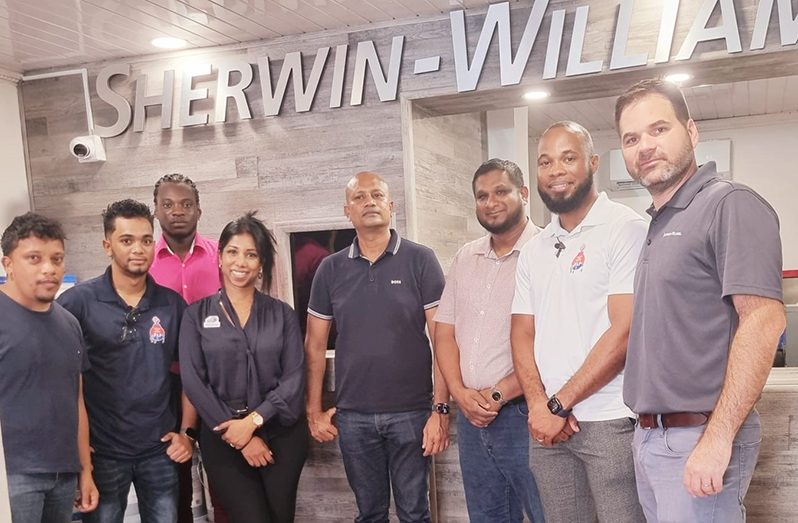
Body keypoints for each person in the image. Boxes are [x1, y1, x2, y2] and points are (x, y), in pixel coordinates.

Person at [616, 78, 785, 522]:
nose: (645, 147)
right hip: (652, 437)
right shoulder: (656, 223)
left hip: (700, 437)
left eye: (659, 130)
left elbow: (764, 321)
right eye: (631, 138)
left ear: (691, 132)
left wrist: (717, 437)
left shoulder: (730, 204)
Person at [511, 121, 647, 522]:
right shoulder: (534, 249)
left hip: (610, 421)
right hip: (548, 427)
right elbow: (521, 333)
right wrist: (539, 405)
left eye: (568, 158)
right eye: (545, 161)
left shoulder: (625, 229)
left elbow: (623, 332)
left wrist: (557, 404)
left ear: (592, 162)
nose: (555, 170)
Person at [305, 171, 449, 523]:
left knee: (415, 513)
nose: (369, 202)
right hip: (353, 416)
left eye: (377, 195)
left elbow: (443, 337)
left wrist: (440, 410)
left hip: (412, 413)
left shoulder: (421, 260)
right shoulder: (330, 268)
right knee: (369, 514)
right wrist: (313, 410)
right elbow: (314, 344)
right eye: (359, 197)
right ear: (347, 211)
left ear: (391, 205)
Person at [58, 200, 195, 523]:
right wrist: (78, 453)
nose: (139, 249)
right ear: (107, 246)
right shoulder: (77, 303)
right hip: (102, 455)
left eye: (146, 240)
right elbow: (60, 382)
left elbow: (193, 374)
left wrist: (187, 434)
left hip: (159, 451)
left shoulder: (171, 304)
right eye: (127, 240)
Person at [434, 158, 545, 523]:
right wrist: (460, 394)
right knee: (487, 517)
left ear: (524, 194)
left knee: (548, 513)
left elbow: (554, 344)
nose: (491, 202)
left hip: (526, 413)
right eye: (482, 196)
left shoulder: (547, 252)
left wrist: (497, 395)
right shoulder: (466, 257)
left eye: (501, 192)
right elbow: (445, 333)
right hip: (471, 418)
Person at [179, 212, 308, 523]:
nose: (241, 262)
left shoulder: (283, 314)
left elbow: (293, 379)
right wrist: (240, 433)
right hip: (223, 437)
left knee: (280, 517)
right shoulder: (196, 316)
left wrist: (254, 421)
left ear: (261, 262)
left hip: (281, 434)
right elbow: (194, 380)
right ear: (220, 257)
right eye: (233, 252)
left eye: (251, 254)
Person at [0, 212, 98, 522]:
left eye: (57, 259)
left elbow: (76, 401)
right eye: (34, 258)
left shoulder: (69, 323)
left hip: (64, 473)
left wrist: (85, 470)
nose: (48, 269)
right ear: (8, 264)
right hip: (12, 477)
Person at [150, 173, 223, 523]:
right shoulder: (142, 262)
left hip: (218, 381)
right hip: (166, 383)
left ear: (198, 210)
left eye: (185, 204)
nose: (177, 211)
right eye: (168, 204)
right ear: (156, 211)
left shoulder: (221, 256)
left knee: (224, 475)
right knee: (172, 478)